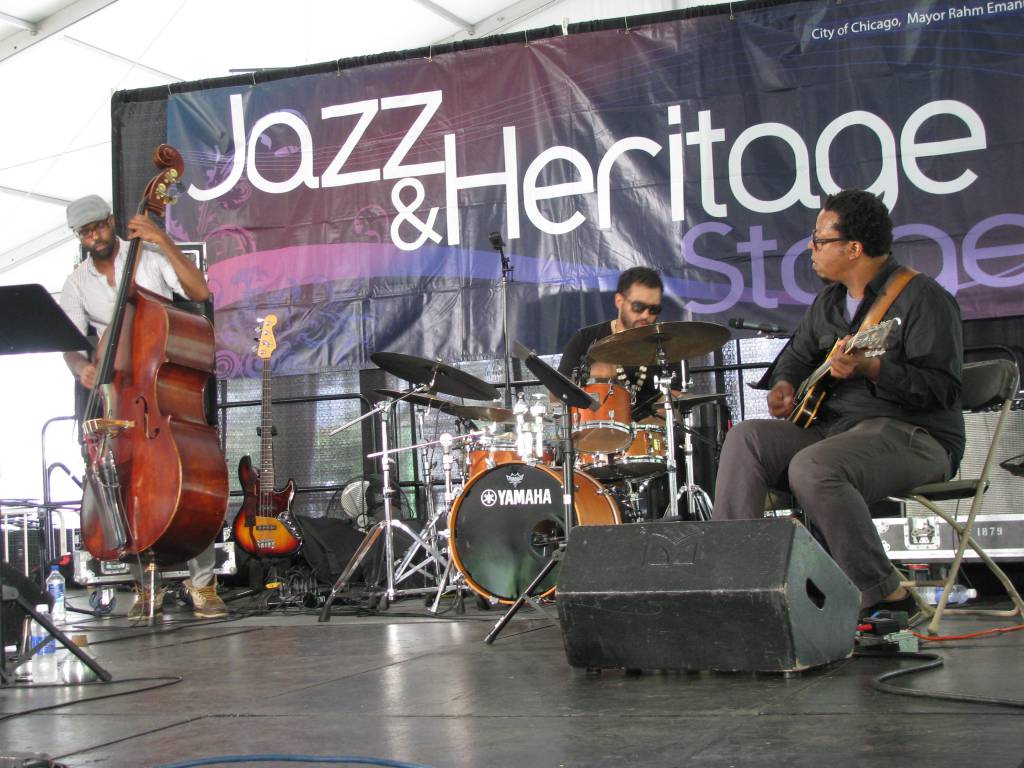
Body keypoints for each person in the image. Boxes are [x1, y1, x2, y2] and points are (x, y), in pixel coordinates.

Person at [712, 189, 965, 618]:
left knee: (814, 466)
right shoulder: (828, 303)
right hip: (836, 429)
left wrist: (873, 371)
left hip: (914, 435)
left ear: (853, 248)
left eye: (818, 239)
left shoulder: (923, 298)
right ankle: (735, 588)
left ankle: (886, 593)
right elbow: (794, 356)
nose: (810, 248)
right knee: (746, 439)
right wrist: (786, 384)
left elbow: (942, 390)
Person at [60, 194, 227, 620]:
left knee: (187, 474)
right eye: (85, 232)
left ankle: (203, 584)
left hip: (163, 394)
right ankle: (143, 583)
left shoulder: (149, 257)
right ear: (78, 237)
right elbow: (69, 344)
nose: (94, 236)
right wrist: (82, 367)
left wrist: (162, 239)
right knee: (121, 482)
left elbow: (199, 290)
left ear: (111, 221)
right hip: (119, 397)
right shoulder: (77, 282)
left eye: (98, 226)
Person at [557, 266, 664, 418]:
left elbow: (676, 399)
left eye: (654, 309)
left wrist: (650, 426)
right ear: (619, 301)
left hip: (648, 436)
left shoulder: (665, 342)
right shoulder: (586, 338)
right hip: (594, 433)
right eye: (639, 307)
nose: (646, 315)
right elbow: (556, 396)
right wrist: (591, 378)